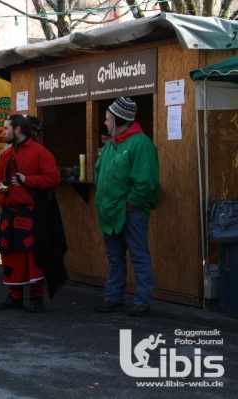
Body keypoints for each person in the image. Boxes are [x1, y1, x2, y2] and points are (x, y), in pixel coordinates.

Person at [0, 114, 67, 313]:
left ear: (17, 129)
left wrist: (27, 180)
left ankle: (36, 299)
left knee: (32, 257)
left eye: (6, 128)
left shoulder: (40, 152)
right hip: (9, 213)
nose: (3, 131)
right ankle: (14, 297)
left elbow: (53, 179)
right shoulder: (6, 154)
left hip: (30, 213)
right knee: (10, 255)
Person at [94, 97, 160, 317]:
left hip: (130, 212)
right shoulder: (112, 143)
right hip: (111, 210)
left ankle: (142, 301)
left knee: (138, 256)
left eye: (108, 119)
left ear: (119, 119)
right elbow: (99, 171)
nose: (105, 123)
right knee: (114, 257)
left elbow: (146, 182)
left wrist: (131, 204)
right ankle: (114, 298)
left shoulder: (141, 144)